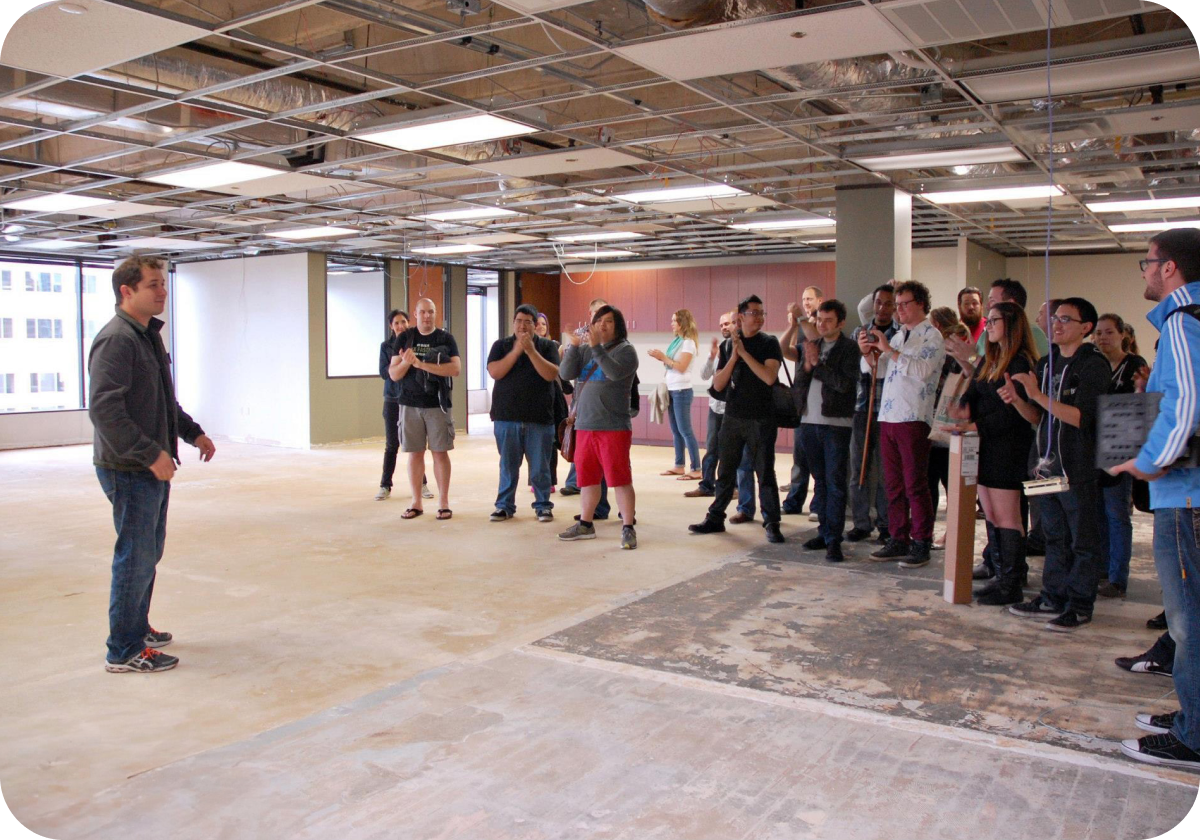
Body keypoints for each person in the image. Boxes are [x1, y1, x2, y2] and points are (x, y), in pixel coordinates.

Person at [89, 255, 217, 673]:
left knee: (148, 551)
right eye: (153, 284)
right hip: (128, 467)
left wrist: (192, 432)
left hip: (148, 465)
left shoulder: (147, 337)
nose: (163, 291)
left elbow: (164, 400)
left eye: (163, 283)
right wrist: (150, 454)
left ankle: (136, 626)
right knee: (135, 553)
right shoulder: (117, 340)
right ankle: (123, 649)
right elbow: (105, 410)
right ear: (126, 291)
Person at [1111, 228, 1200, 769]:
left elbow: (1188, 403)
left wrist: (1151, 461)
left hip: (1185, 496)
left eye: (1146, 263)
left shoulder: (1184, 321)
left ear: (1169, 268)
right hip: (1185, 494)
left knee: (1188, 621)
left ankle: (1195, 738)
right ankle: (1193, 715)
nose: (1144, 272)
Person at [1004, 297, 1109, 631]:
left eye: (1066, 318)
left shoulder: (1093, 365)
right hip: (1045, 466)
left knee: (1082, 539)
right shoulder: (1047, 364)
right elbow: (1039, 418)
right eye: (1055, 317)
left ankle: (1079, 604)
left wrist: (1036, 395)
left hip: (1076, 467)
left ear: (1086, 328)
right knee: (1053, 536)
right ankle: (1053, 596)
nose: (1056, 323)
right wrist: (1019, 401)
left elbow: (1082, 418)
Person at [950, 301, 1039, 605]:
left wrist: (973, 423)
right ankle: (1000, 575)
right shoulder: (993, 358)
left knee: (1007, 517)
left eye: (994, 321)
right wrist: (959, 407)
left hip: (1008, 447)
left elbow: (1013, 414)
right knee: (990, 513)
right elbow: (975, 390)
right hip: (985, 444)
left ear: (1011, 325)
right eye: (987, 322)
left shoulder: (1019, 362)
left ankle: (1011, 583)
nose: (987, 326)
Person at [689, 294, 786, 544]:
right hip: (732, 417)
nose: (760, 318)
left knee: (765, 472)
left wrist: (745, 355)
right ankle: (716, 517)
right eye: (755, 313)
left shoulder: (769, 343)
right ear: (741, 317)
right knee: (726, 471)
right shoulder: (728, 346)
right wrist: (734, 356)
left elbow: (768, 377)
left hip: (761, 418)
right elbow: (718, 384)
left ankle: (772, 522)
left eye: (762, 313)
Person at [862, 280, 945, 568]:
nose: (898, 310)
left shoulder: (932, 336)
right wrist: (869, 353)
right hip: (888, 415)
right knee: (892, 484)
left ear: (920, 303)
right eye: (896, 305)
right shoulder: (898, 336)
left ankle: (921, 540)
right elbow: (880, 370)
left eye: (904, 304)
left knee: (915, 484)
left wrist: (888, 349)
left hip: (914, 416)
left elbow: (922, 371)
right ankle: (898, 537)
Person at [558, 305, 639, 550]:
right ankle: (585, 524)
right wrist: (573, 346)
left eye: (609, 321)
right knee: (587, 479)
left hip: (613, 427)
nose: (602, 325)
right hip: (584, 425)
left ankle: (628, 527)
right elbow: (565, 373)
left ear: (618, 327)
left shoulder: (626, 351)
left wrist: (595, 347)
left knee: (620, 479)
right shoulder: (583, 350)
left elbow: (614, 373)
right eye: (598, 320)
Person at [794, 299, 859, 561]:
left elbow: (844, 385)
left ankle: (835, 540)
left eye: (828, 320)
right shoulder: (814, 345)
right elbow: (800, 380)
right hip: (809, 422)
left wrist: (817, 366)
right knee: (819, 481)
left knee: (834, 482)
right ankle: (823, 532)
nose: (821, 325)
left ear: (841, 322)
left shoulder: (850, 348)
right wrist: (808, 366)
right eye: (818, 320)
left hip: (835, 424)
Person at [487, 304, 562, 523]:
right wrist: (517, 350)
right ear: (513, 323)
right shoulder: (500, 346)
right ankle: (504, 506)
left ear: (536, 325)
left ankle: (543, 505)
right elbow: (495, 371)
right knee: (508, 466)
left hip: (539, 418)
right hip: (506, 417)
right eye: (519, 321)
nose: (523, 326)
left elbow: (550, 374)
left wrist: (530, 350)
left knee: (540, 467)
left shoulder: (547, 346)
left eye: (528, 322)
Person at [388, 297, 461, 521]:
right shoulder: (404, 338)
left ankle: (443, 502)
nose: (427, 316)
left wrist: (422, 364)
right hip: (409, 404)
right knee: (415, 453)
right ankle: (416, 502)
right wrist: (408, 362)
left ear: (435, 313)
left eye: (431, 312)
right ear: (416, 314)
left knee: (440, 452)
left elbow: (455, 369)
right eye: (423, 312)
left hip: (437, 405)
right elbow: (393, 373)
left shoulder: (445, 338)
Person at [1092, 313, 1149, 598]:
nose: (1103, 338)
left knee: (1117, 513)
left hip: (1121, 445)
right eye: (1099, 333)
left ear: (1122, 335)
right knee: (1098, 512)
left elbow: (1138, 406)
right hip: (1095, 444)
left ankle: (1117, 577)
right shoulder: (1095, 363)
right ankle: (1102, 569)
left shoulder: (1134, 365)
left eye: (1109, 332)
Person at [685, 312, 759, 521]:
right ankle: (707, 485)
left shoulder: (745, 348)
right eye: (722, 324)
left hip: (737, 412)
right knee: (712, 449)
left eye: (728, 323)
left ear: (738, 323)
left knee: (743, 461)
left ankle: (744, 505)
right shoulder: (722, 350)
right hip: (716, 408)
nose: (725, 327)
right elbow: (706, 376)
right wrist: (711, 356)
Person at [847, 284, 897, 544]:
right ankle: (861, 523)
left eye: (889, 304)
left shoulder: (900, 334)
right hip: (862, 408)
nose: (882, 308)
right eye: (879, 302)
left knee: (887, 472)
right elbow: (860, 366)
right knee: (860, 469)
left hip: (888, 412)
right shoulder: (861, 332)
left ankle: (886, 525)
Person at [559, 298, 612, 522]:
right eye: (596, 313)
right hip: (583, 410)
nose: (599, 319)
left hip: (609, 412)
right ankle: (594, 510)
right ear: (589, 314)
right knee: (588, 464)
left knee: (614, 465)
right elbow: (566, 373)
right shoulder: (580, 337)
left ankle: (625, 512)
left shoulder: (616, 339)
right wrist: (573, 347)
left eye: (604, 315)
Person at [376, 311, 434, 502]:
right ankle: (385, 485)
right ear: (391, 326)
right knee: (392, 444)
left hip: (411, 399)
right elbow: (385, 373)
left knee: (417, 446)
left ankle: (422, 484)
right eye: (396, 323)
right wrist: (402, 361)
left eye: (403, 322)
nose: (400, 325)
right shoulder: (386, 347)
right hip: (392, 399)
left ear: (408, 323)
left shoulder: (415, 342)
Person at [928, 320, 971, 548]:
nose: (953, 345)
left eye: (959, 340)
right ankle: (927, 530)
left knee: (953, 489)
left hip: (955, 435)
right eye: (949, 340)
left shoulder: (969, 366)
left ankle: (952, 533)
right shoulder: (936, 360)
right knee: (929, 485)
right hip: (933, 432)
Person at [780, 286, 823, 515]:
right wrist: (793, 324)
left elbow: (818, 341)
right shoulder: (802, 329)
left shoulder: (821, 330)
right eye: (804, 298)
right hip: (801, 401)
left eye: (810, 299)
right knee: (800, 457)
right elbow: (787, 349)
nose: (806, 302)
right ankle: (794, 501)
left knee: (818, 459)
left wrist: (801, 319)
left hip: (823, 404)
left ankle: (817, 503)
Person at [648, 309, 701, 480]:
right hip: (672, 389)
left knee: (685, 430)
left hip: (682, 390)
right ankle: (679, 465)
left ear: (682, 323)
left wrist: (663, 357)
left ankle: (696, 468)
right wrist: (662, 358)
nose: (671, 323)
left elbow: (681, 366)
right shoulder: (677, 341)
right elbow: (671, 364)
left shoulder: (688, 343)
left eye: (674, 320)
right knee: (676, 430)